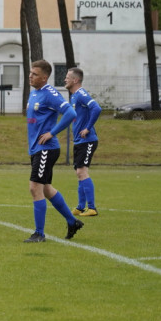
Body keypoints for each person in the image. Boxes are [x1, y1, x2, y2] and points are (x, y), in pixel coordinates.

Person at [24, 60, 82, 243]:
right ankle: (72, 221)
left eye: (34, 74)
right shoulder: (34, 93)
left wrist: (52, 133)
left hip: (46, 149)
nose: (30, 76)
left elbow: (71, 114)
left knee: (35, 188)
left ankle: (39, 234)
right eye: (30, 73)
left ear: (44, 77)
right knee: (46, 189)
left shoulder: (50, 94)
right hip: (37, 149)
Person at [64, 67, 101, 217]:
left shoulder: (80, 94)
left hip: (88, 140)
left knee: (82, 172)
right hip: (80, 141)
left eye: (67, 77)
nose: (65, 79)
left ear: (75, 80)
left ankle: (92, 208)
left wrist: (87, 128)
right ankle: (80, 207)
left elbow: (96, 108)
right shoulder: (74, 97)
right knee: (79, 173)